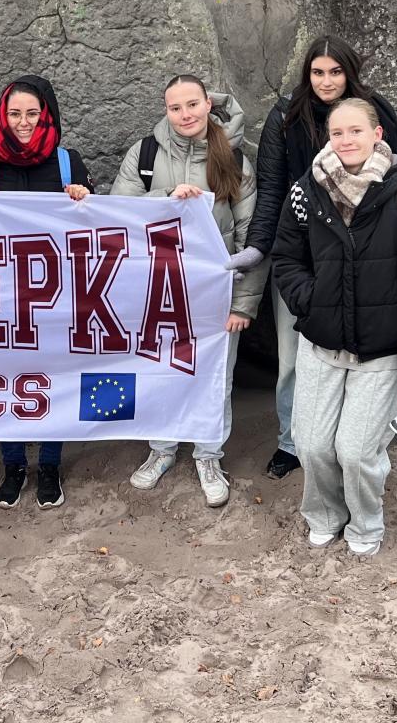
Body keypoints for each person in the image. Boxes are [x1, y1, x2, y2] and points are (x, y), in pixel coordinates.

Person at [270, 98, 397, 555]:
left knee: (356, 451)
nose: (346, 141)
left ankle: (365, 523)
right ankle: (325, 515)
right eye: (337, 133)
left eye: (355, 131)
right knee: (311, 444)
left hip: (382, 351)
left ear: (376, 135)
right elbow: (286, 258)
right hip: (322, 343)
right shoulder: (306, 191)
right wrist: (311, 301)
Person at [241, 36, 397, 482]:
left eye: (335, 72)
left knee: (365, 356)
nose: (326, 81)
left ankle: (352, 442)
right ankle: (291, 441)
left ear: (349, 73)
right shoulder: (285, 116)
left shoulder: (374, 112)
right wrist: (259, 246)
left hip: (366, 257)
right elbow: (272, 187)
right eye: (318, 72)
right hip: (302, 252)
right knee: (293, 358)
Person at [112, 75, 265, 507]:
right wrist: (167, 197)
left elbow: (251, 234)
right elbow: (118, 211)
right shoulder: (145, 153)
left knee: (215, 377)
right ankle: (161, 448)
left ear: (208, 103)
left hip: (215, 290)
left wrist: (243, 304)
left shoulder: (234, 157)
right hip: (158, 289)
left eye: (193, 104)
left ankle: (208, 455)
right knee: (161, 370)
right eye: (175, 107)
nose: (185, 115)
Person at [0, 74, 93, 510]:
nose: (23, 122)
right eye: (14, 113)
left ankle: (49, 463)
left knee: (54, 377)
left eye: (33, 113)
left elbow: (96, 228)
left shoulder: (68, 162)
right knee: (4, 378)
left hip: (55, 293)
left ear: (47, 114)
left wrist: (84, 197)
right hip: (0, 294)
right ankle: (13, 463)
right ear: (2, 114)